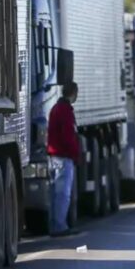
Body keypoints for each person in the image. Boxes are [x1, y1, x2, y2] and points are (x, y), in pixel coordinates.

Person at [48, 82, 80, 236]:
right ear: (73, 93)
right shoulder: (66, 111)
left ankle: (55, 224)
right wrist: (75, 153)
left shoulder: (55, 109)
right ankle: (60, 226)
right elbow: (68, 136)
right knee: (63, 194)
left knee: (55, 194)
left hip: (54, 157)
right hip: (63, 157)